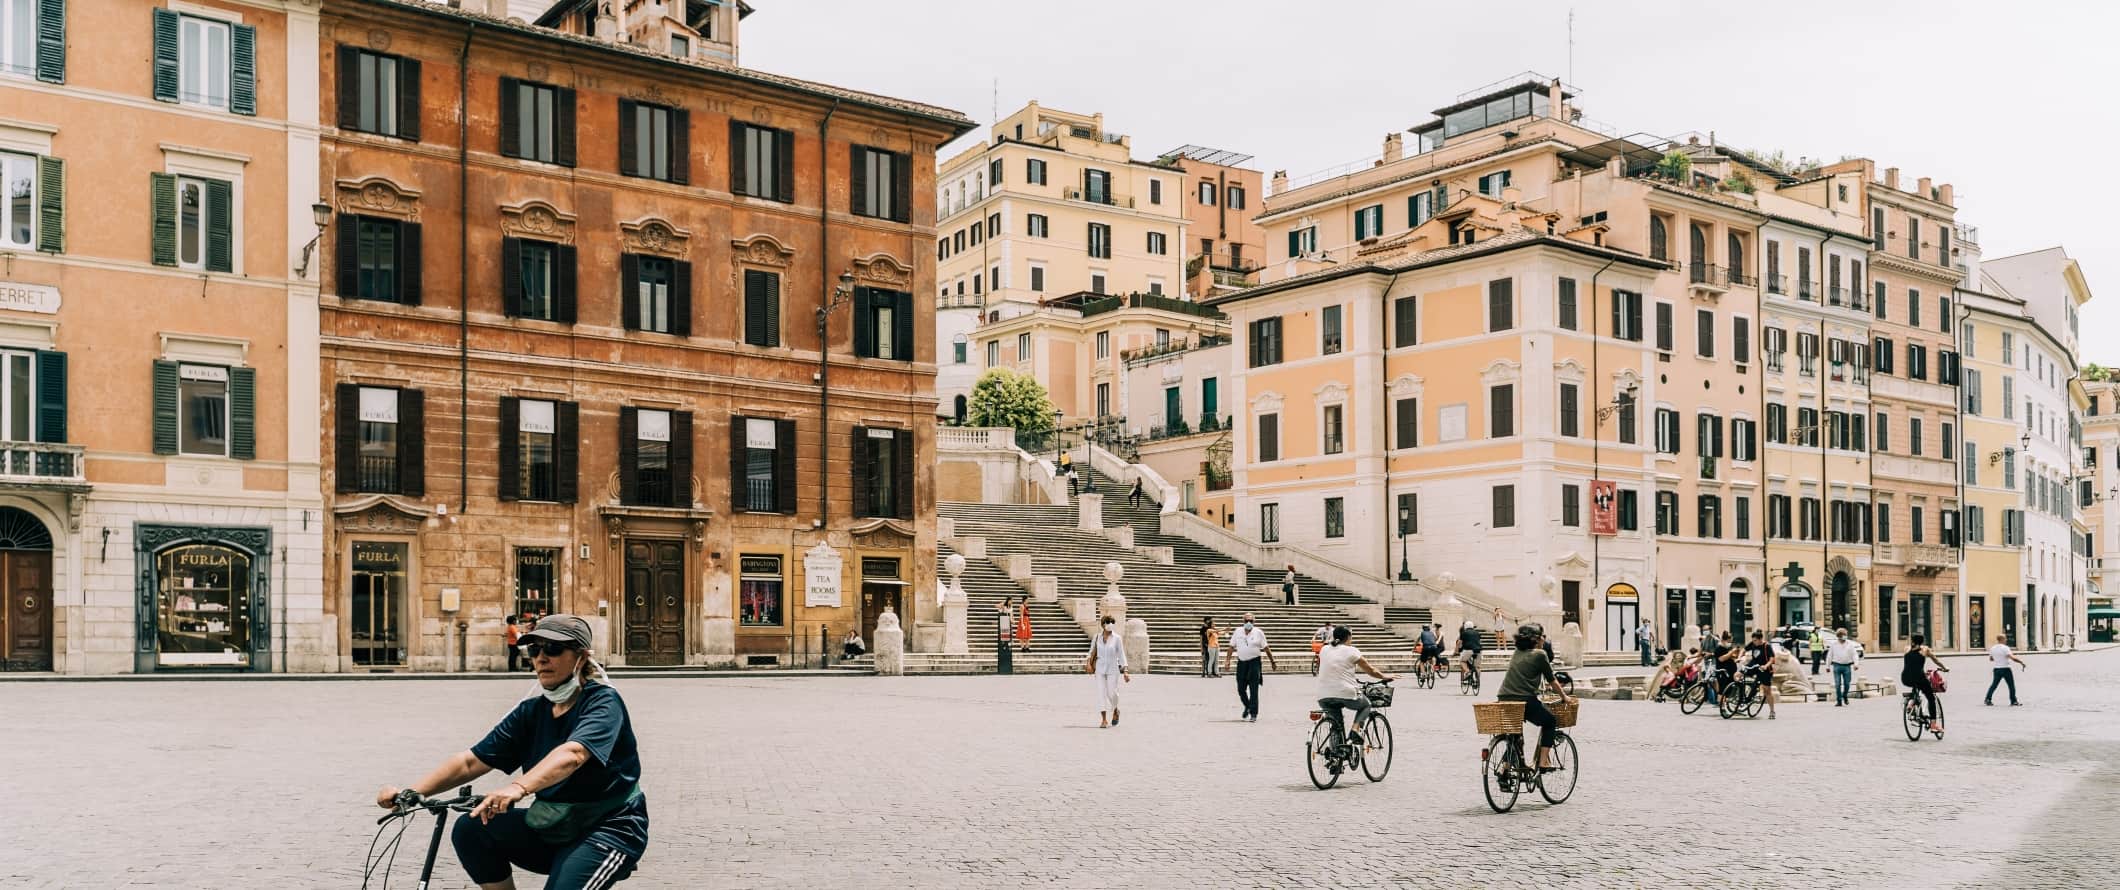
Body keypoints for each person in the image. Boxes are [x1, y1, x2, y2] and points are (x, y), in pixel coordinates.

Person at [376, 615, 646, 890]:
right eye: (534, 649)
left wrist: (518, 787)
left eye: (552, 649)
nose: (541, 658)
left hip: (609, 829)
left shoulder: (602, 702)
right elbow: (471, 762)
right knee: (472, 829)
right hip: (555, 827)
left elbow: (574, 754)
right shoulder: (531, 713)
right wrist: (410, 794)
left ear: (581, 656)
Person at [1497, 623, 1575, 771]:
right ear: (1537, 639)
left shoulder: (1517, 652)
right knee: (1550, 722)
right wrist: (1564, 697)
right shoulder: (1540, 654)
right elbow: (1552, 680)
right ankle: (1543, 762)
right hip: (1524, 699)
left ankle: (1505, 769)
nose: (1543, 640)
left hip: (1504, 697)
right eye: (1542, 637)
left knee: (1515, 736)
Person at [1315, 626, 1395, 751]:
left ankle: (1336, 757)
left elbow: (1333, 667)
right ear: (1348, 637)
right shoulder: (1351, 651)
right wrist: (1385, 676)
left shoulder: (1324, 649)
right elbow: (1371, 670)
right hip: (1345, 692)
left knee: (1336, 725)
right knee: (1366, 705)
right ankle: (1355, 729)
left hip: (1323, 695)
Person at [1223, 613, 1276, 721]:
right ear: (1243, 621)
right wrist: (1227, 660)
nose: (1248, 623)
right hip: (1242, 663)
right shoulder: (1238, 631)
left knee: (1253, 689)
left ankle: (1253, 713)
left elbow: (1266, 648)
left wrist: (1272, 662)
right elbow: (1231, 647)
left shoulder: (1259, 632)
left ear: (1254, 622)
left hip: (1254, 663)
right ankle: (1247, 706)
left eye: (1251, 621)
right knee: (1241, 689)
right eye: (1246, 620)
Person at [1901, 633, 1949, 733]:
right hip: (1919, 677)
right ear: (1922, 641)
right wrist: (1944, 668)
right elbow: (1936, 661)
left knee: (1916, 686)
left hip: (1905, 678)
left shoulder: (1906, 648)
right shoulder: (1925, 650)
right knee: (1931, 697)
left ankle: (1911, 703)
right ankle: (1933, 725)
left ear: (1912, 641)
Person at [1087, 615, 1129, 728]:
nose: (1110, 624)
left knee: (1112, 693)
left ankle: (1115, 710)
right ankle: (1104, 720)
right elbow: (1091, 652)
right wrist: (1089, 664)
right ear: (1103, 625)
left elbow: (1121, 655)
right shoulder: (1097, 637)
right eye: (1108, 622)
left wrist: (1125, 670)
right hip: (1100, 669)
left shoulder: (1117, 638)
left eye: (1112, 622)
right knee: (1101, 693)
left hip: (1113, 669)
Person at [1742, 629, 1778, 719]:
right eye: (1753, 640)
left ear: (1760, 639)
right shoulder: (1753, 644)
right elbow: (1744, 649)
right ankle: (1740, 698)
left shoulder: (1767, 646)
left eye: (1755, 640)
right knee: (1738, 674)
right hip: (1754, 665)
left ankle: (1772, 711)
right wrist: (1740, 657)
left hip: (1764, 669)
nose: (1753, 642)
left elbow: (1772, 659)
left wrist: (1766, 666)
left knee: (1767, 691)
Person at [1984, 634, 2027, 706]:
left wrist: (1998, 658)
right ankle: (2013, 701)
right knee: (2011, 686)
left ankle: (1988, 699)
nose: (2006, 640)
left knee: (1994, 685)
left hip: (1996, 669)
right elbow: (2012, 658)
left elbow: (1991, 659)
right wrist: (2021, 662)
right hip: (2006, 669)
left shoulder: (1993, 648)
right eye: (2005, 638)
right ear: (2002, 639)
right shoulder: (2005, 648)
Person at [1826, 628, 1861, 706]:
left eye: (1845, 635)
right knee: (1837, 684)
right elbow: (1829, 655)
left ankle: (1845, 695)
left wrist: (1856, 664)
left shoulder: (1850, 644)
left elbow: (1854, 654)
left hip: (1847, 666)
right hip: (1836, 666)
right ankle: (1839, 700)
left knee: (1847, 684)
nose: (1845, 636)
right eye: (1843, 635)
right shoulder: (1834, 645)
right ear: (1839, 636)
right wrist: (1827, 666)